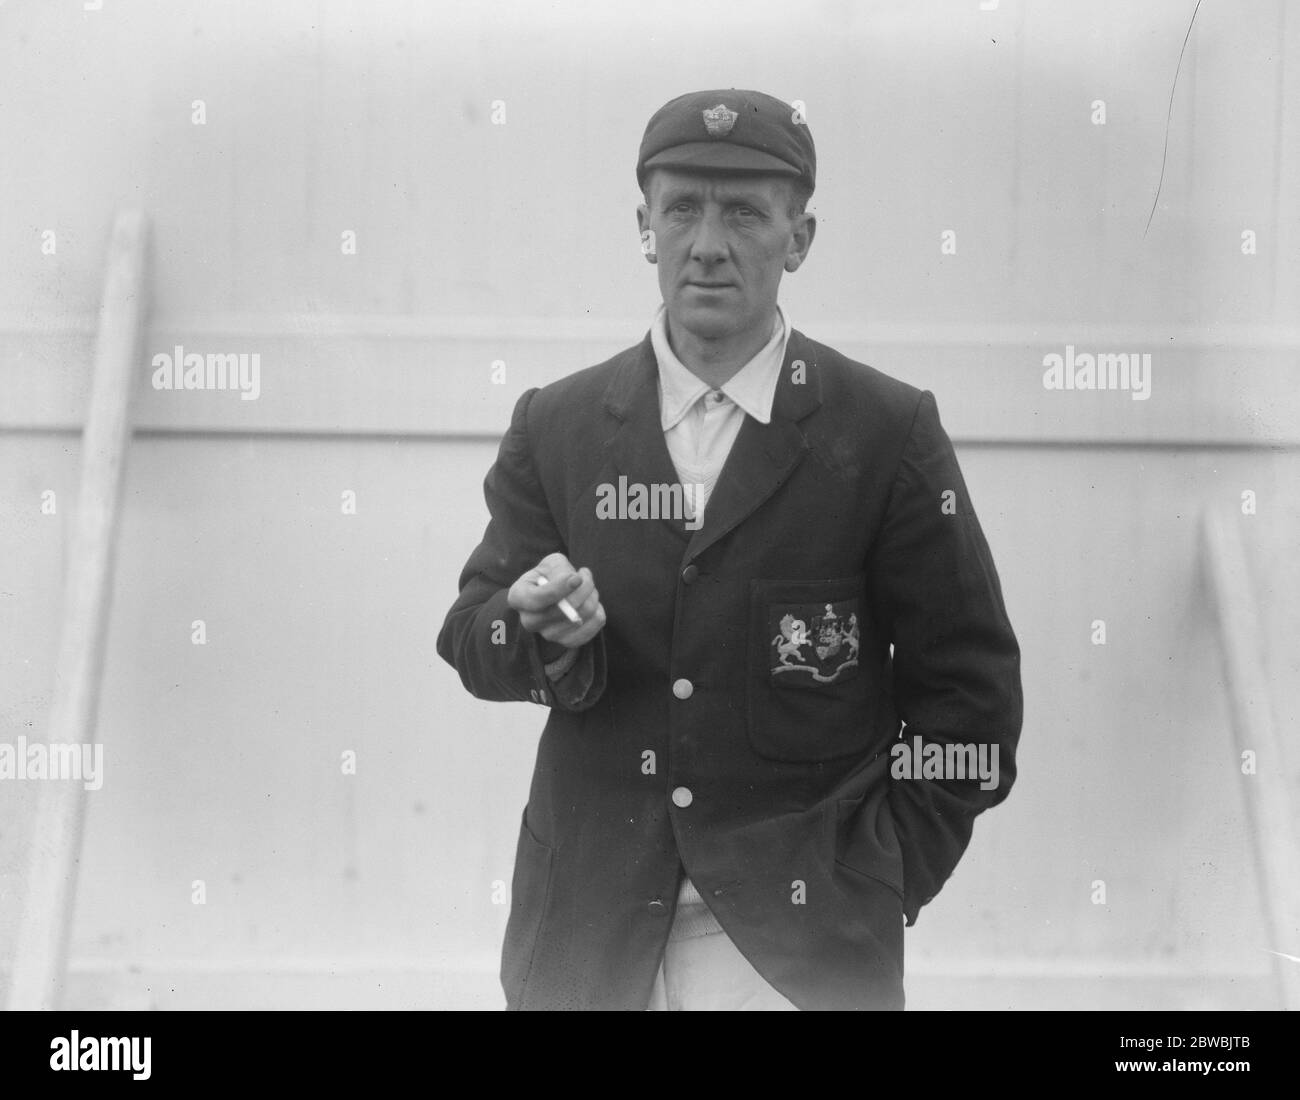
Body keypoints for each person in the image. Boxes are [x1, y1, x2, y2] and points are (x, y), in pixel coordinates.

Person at [437, 88, 1023, 1010]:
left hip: (798, 956)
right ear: (645, 227)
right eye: (682, 209)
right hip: (589, 942)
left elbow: (971, 703)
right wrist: (533, 630)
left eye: (745, 212)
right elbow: (471, 636)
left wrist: (880, 876)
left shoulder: (884, 431)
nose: (707, 242)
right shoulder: (557, 425)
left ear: (800, 236)